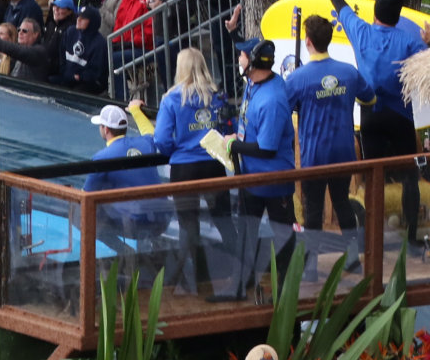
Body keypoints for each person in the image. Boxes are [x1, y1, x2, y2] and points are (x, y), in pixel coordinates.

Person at [306, 0, 430, 231]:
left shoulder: (360, 31)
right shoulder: (411, 42)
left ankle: (373, 235)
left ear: (374, 14)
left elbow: (337, 0)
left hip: (370, 115)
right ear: (398, 18)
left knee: (373, 177)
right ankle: (411, 235)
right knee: (409, 177)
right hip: (401, 115)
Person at [152, 48, 235, 296]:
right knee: (224, 222)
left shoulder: (172, 99)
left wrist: (179, 148)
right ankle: (245, 271)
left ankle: (192, 281)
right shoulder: (218, 96)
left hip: (185, 167)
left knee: (189, 228)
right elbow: (229, 128)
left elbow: (162, 140)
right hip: (213, 164)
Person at [287, 13, 371, 254]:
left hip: (315, 157)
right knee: (342, 203)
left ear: (308, 42)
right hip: (344, 151)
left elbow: (283, 108)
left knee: (313, 211)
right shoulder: (348, 72)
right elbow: (370, 98)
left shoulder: (297, 78)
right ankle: (354, 258)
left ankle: (311, 267)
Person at [224, 39, 301, 293]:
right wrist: (237, 138)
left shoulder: (272, 99)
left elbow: (267, 149)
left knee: (282, 235)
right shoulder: (253, 83)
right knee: (246, 231)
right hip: (252, 177)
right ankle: (241, 282)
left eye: (242, 56)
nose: (238, 60)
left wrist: (234, 147)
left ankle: (286, 288)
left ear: (253, 63)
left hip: (273, 181)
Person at [85, 104, 169, 259]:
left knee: (80, 214)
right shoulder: (145, 144)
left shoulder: (101, 158)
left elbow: (86, 195)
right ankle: (148, 248)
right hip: (163, 220)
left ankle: (125, 252)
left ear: (106, 130)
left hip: (137, 224)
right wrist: (136, 110)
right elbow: (150, 132)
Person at [55, 6, 109, 95]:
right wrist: (65, 72)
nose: (78, 20)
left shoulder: (100, 43)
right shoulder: (70, 32)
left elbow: (96, 72)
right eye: (78, 16)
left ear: (92, 22)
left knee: (75, 94)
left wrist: (79, 77)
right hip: (67, 77)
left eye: (83, 18)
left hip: (87, 84)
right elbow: (61, 55)